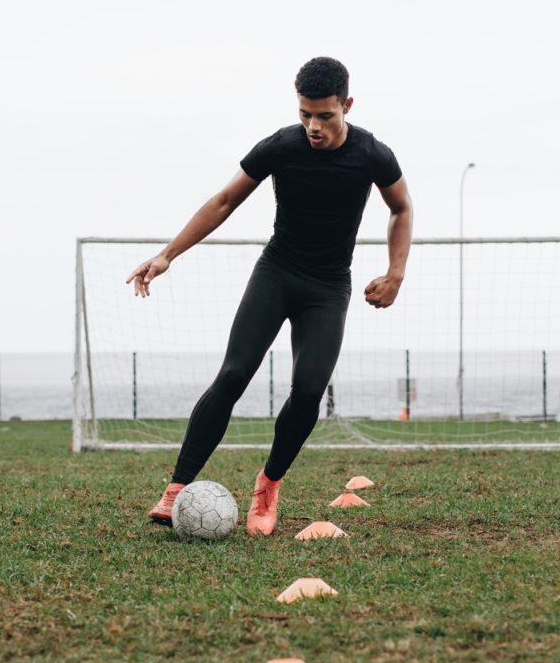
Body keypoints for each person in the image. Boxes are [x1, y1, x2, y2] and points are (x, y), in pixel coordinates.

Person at [128, 56, 413, 536]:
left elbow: (401, 207)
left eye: (325, 115)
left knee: (307, 392)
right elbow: (224, 201)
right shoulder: (282, 146)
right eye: (305, 114)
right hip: (277, 274)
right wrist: (167, 255)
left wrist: (395, 273)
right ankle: (176, 489)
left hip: (327, 287)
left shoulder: (372, 155)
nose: (313, 126)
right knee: (234, 373)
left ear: (347, 105)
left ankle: (269, 484)